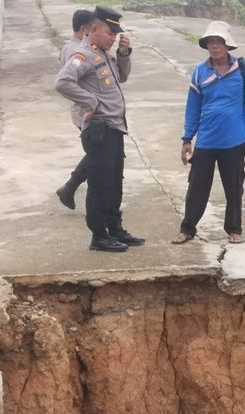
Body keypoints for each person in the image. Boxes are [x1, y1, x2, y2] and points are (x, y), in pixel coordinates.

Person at [55, 6, 144, 252]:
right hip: (100, 129)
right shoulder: (82, 55)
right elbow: (62, 82)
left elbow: (121, 78)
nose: (112, 37)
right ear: (93, 30)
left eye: (115, 34)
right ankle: (99, 236)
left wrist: (124, 54)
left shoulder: (105, 54)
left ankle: (115, 229)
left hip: (115, 127)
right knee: (100, 183)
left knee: (115, 182)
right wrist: (91, 102)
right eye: (109, 32)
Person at [173, 21, 245, 245]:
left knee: (234, 187)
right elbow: (193, 107)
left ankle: (234, 229)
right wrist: (187, 138)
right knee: (197, 187)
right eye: (211, 42)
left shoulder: (243, 71)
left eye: (219, 42)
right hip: (206, 140)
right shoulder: (200, 72)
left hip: (234, 141)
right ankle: (187, 228)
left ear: (228, 46)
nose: (215, 46)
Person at [55, 9, 95, 210]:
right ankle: (70, 187)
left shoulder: (68, 47)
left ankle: (70, 188)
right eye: (93, 28)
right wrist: (90, 103)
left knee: (97, 152)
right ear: (84, 29)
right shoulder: (76, 51)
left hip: (85, 111)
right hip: (87, 113)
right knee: (98, 153)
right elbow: (68, 83)